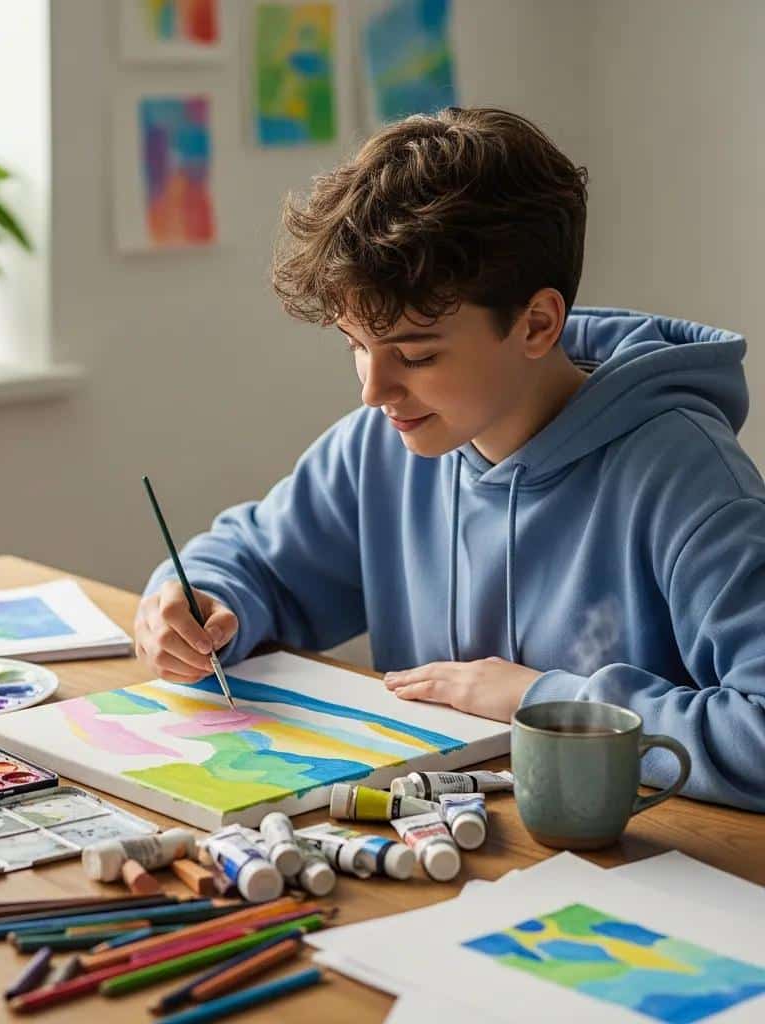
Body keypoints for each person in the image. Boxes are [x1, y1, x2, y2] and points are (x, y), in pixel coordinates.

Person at [136, 107, 765, 811]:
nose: (374, 389)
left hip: (651, 875)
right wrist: (202, 603)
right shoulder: (381, 446)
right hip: (444, 848)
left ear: (536, 324)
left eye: (416, 355)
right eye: (354, 345)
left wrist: (543, 701)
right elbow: (256, 564)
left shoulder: (686, 478)